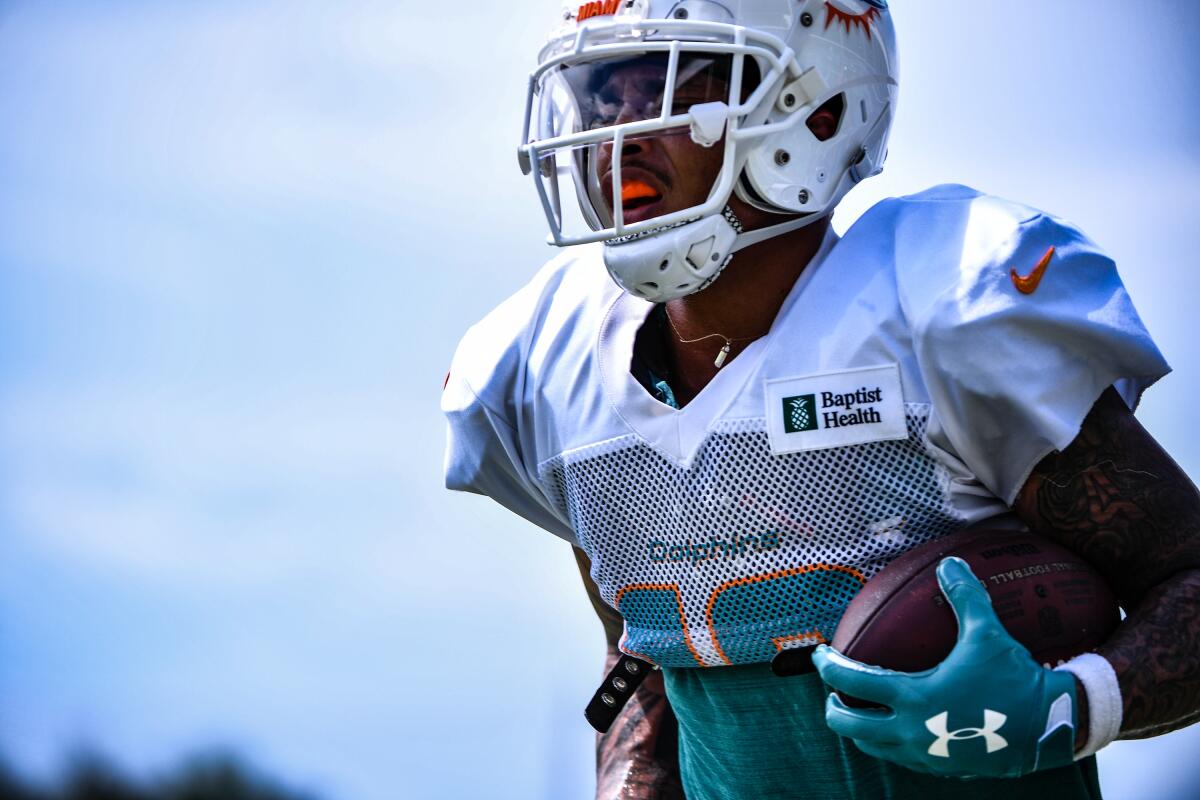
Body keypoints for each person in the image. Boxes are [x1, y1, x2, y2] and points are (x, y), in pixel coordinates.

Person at [442, 1, 1200, 797]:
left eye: (672, 84)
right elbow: (648, 653)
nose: (621, 131)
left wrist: (1067, 706)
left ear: (819, 108)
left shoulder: (935, 312)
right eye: (603, 96)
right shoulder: (550, 368)